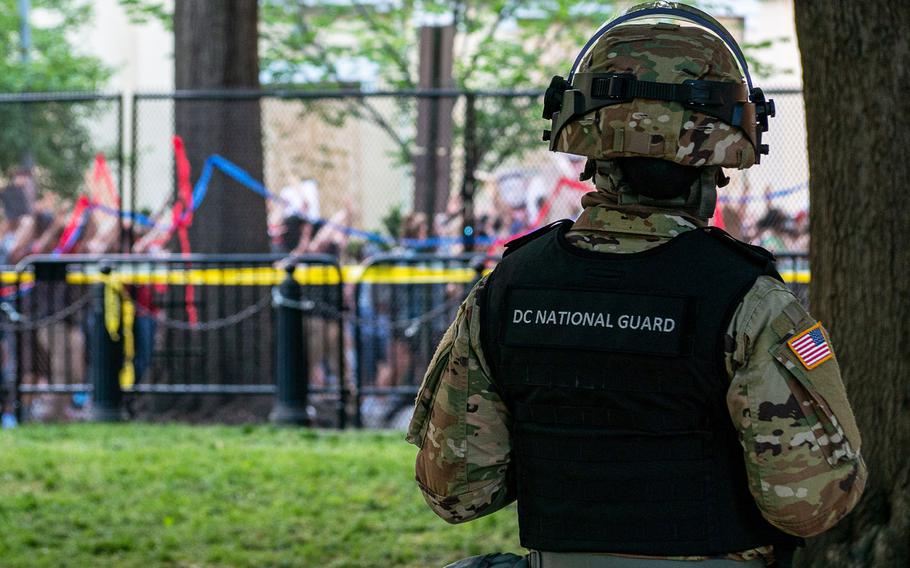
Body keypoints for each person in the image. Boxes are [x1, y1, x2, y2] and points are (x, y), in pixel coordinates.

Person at [406, 4, 866, 568]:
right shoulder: (751, 302)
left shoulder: (505, 290)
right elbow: (811, 504)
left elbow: (455, 491)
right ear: (722, 154)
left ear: (590, 145)